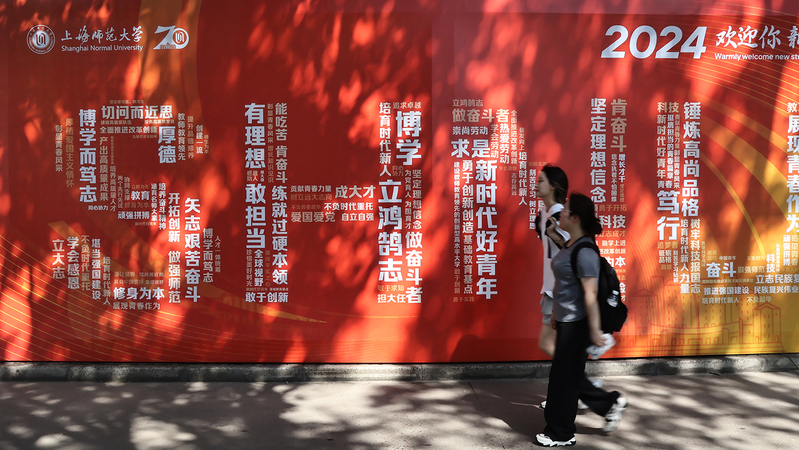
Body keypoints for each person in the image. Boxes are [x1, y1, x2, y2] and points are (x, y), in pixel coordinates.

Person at [536, 193, 627, 447]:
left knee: (566, 380)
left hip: (578, 325)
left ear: (575, 218)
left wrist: (595, 330)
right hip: (567, 321)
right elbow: (566, 283)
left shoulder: (585, 251)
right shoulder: (571, 244)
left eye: (565, 210)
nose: (561, 213)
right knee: (563, 377)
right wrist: (556, 314)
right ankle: (599, 408)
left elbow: (590, 295)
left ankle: (562, 434)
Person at [533, 165, 569, 359]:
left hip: (560, 290)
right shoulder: (543, 215)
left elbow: (574, 252)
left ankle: (575, 375)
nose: (536, 185)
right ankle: (573, 374)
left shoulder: (561, 216)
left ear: (553, 186)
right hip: (551, 289)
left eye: (541, 181)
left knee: (548, 343)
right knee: (555, 344)